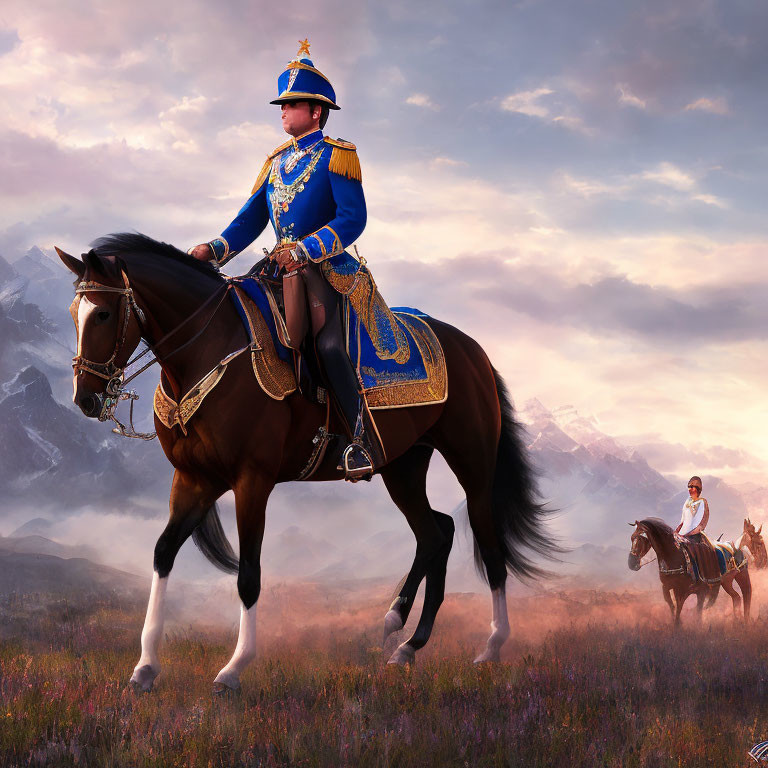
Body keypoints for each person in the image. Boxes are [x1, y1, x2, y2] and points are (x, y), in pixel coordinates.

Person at [189, 40, 383, 481]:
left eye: (291, 104)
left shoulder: (339, 155)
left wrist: (306, 249)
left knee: (330, 345)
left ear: (316, 111)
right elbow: (248, 222)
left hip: (325, 270)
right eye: (282, 104)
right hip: (276, 268)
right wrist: (213, 250)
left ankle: (358, 440)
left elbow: (353, 219)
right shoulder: (275, 163)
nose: (282, 110)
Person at [674, 475, 709, 543]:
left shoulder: (702, 502)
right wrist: (677, 531)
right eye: (689, 486)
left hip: (694, 537)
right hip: (682, 536)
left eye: (693, 487)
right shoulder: (688, 501)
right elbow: (683, 520)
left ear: (698, 489)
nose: (690, 489)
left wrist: (687, 535)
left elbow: (700, 524)